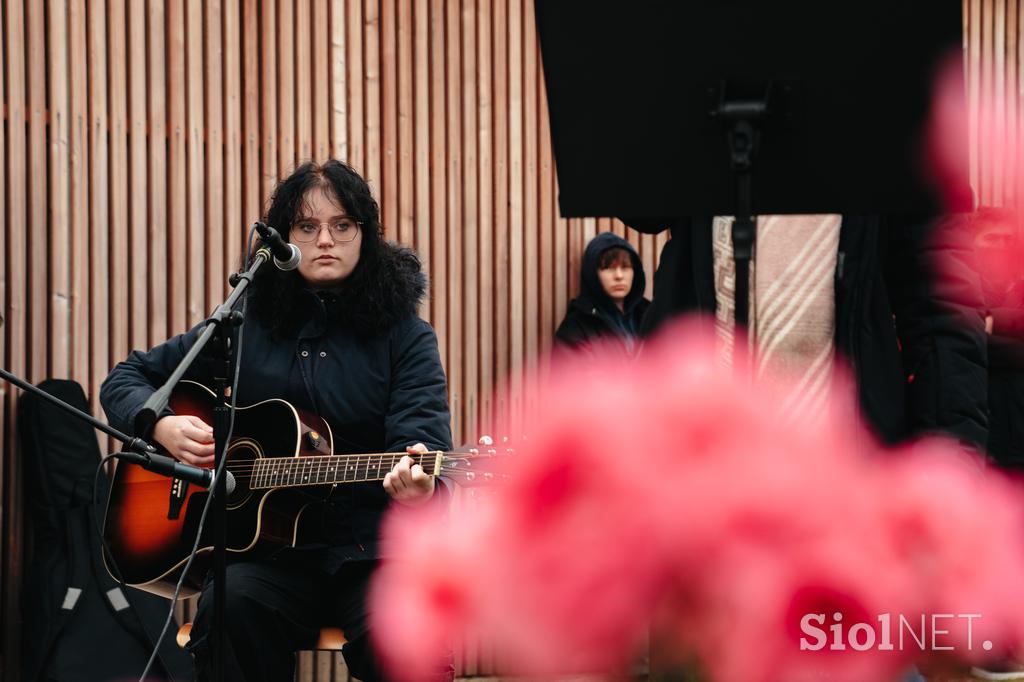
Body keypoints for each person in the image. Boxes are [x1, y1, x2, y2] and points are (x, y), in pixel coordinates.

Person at [100, 160, 454, 682]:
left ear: (366, 234)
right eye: (306, 228)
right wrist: (163, 426)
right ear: (282, 240)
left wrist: (420, 490)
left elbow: (422, 444)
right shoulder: (244, 325)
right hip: (270, 560)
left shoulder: (406, 337)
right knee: (228, 606)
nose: (325, 241)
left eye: (342, 226)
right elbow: (127, 378)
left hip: (372, 556)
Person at [623, 213, 988, 449]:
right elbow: (642, 208)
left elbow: (937, 297)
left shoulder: (883, 104)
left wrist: (950, 461)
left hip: (848, 462)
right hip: (697, 452)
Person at [973, 207, 1024, 468]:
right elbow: (962, 341)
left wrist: (995, 321)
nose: (1002, 246)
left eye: (1008, 240)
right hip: (981, 438)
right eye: (992, 239)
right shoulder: (961, 289)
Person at [555, 232, 651, 356]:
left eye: (625, 267)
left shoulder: (650, 317)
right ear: (592, 274)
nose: (619, 276)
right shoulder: (575, 330)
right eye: (609, 268)